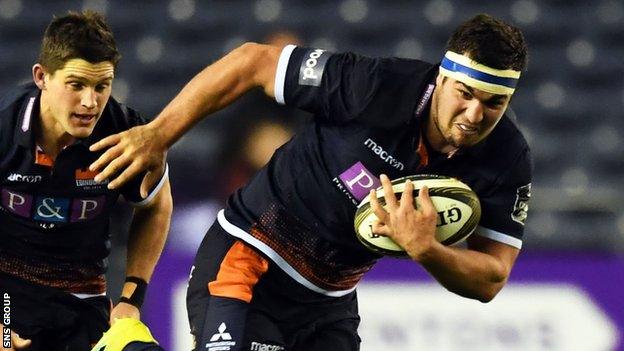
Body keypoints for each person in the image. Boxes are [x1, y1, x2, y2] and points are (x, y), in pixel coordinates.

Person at [90, 13, 531, 351]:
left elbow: (492, 277)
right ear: (442, 78)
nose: (474, 116)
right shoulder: (372, 86)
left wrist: (426, 249)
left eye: (494, 103)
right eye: (465, 94)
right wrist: (158, 135)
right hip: (250, 258)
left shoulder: (506, 159)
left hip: (329, 301)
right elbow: (252, 62)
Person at [0, 11, 172, 351]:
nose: (89, 102)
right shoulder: (3, 129)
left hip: (84, 300)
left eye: (101, 86)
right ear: (42, 76)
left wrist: (132, 297)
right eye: (76, 85)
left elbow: (156, 205)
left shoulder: (126, 134)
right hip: (8, 299)